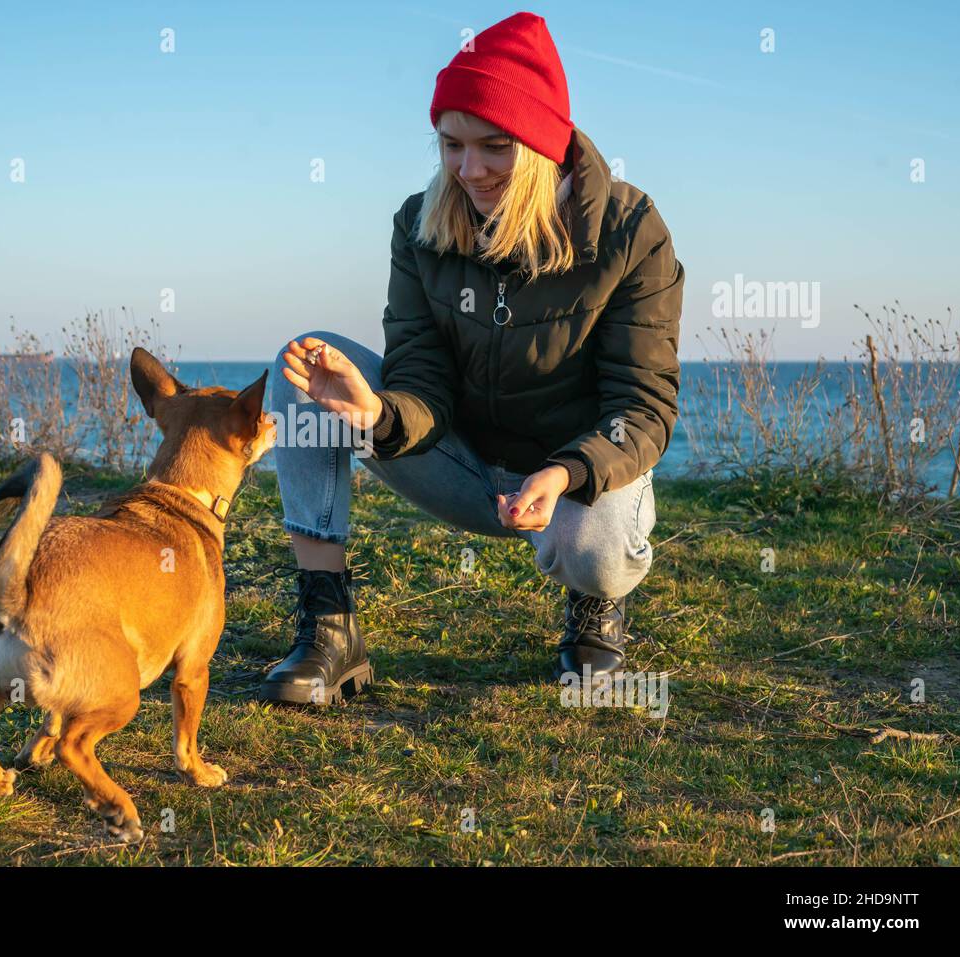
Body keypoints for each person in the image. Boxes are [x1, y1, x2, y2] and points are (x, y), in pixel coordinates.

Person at [260, 11, 683, 706]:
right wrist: (378, 412)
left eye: (494, 146)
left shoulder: (631, 233)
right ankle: (329, 629)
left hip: (574, 479)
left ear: (542, 144)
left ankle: (592, 616)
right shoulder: (421, 224)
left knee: (594, 545)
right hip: (463, 465)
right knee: (297, 368)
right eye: (451, 145)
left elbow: (643, 408)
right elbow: (422, 374)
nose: (469, 169)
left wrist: (567, 469)